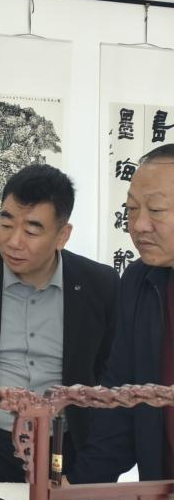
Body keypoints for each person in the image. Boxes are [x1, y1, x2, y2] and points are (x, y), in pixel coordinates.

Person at [0, 165, 117, 485]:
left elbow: (106, 360)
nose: (13, 241)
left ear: (62, 235)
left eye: (32, 230)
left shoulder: (100, 284)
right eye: (6, 223)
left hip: (63, 445)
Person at [72, 145, 174, 482]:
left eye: (156, 210)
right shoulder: (138, 281)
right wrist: (78, 491)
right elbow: (120, 400)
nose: (139, 225)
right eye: (131, 209)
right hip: (161, 494)